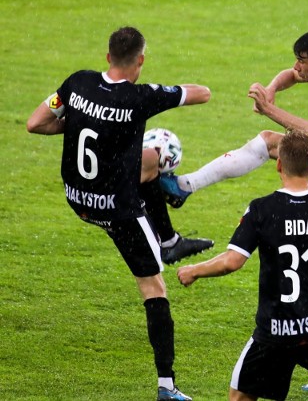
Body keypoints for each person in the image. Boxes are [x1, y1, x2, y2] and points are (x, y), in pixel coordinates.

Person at [162, 27, 308, 392]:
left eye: (302, 61)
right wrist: (273, 88)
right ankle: (184, 186)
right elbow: (291, 76)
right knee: (269, 143)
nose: (296, 67)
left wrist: (269, 108)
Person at [26, 26, 216, 401]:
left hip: (77, 197)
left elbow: (36, 123)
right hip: (117, 208)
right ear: (140, 60)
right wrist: (161, 91)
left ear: (107, 55)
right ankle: (167, 387)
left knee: (148, 162)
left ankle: (170, 237)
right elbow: (203, 94)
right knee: (153, 287)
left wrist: (78, 122)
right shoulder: (140, 97)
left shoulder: (78, 83)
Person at [177, 130, 308, 401]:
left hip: (277, 329)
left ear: (279, 164)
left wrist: (193, 270)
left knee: (240, 396)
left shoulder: (262, 210)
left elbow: (232, 262)